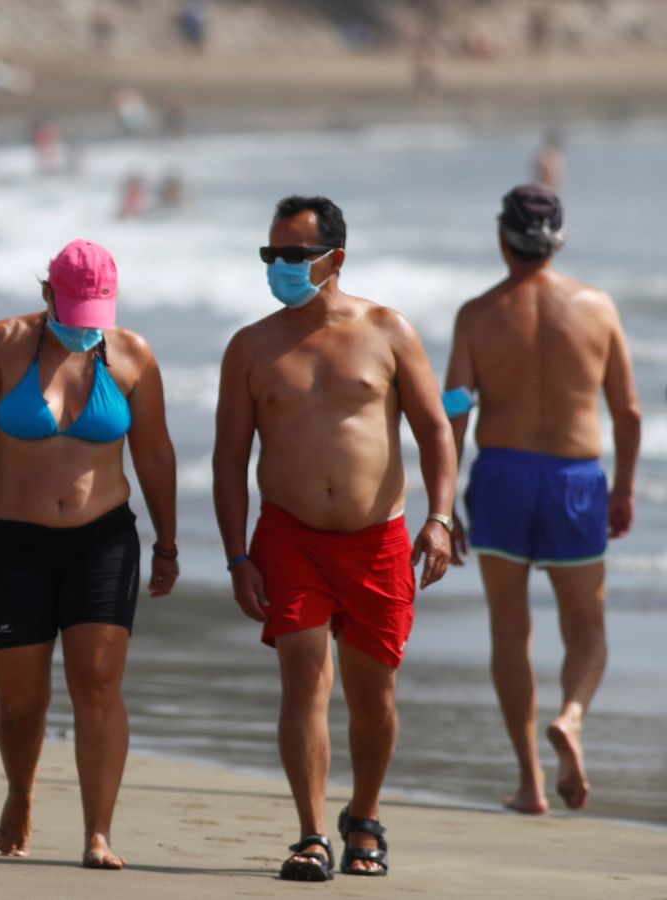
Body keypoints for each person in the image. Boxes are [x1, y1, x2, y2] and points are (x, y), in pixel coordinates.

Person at [213, 196, 455, 881]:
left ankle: (365, 816)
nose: (280, 267)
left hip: (377, 537)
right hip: (289, 536)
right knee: (303, 681)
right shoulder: (251, 347)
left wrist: (439, 518)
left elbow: (436, 428)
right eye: (272, 255)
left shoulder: (389, 330)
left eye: (294, 255)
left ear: (334, 259)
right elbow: (229, 458)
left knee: (374, 692)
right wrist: (238, 557)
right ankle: (311, 834)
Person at [0, 239, 178, 869]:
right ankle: (21, 789)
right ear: (48, 294)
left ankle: (98, 830)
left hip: (103, 540)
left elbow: (154, 453)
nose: (82, 330)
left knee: (98, 685)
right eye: (71, 313)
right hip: (11, 542)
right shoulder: (1, 344)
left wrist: (169, 542)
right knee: (22, 702)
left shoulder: (132, 355)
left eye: (93, 315)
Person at [444, 184, 639, 815]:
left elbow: (454, 411)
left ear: (502, 239)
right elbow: (629, 413)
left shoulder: (476, 315)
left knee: (510, 630)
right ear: (561, 240)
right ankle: (573, 718)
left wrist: (443, 505)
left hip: (501, 476)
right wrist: (625, 488)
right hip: (575, 481)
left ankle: (530, 783)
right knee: (586, 628)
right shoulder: (597, 308)